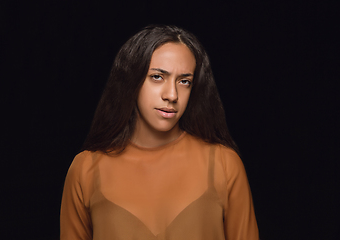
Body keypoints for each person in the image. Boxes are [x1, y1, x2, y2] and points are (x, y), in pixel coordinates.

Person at [60, 25, 259, 240]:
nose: (172, 95)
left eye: (184, 81)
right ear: (131, 80)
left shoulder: (224, 164)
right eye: (157, 77)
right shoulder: (86, 169)